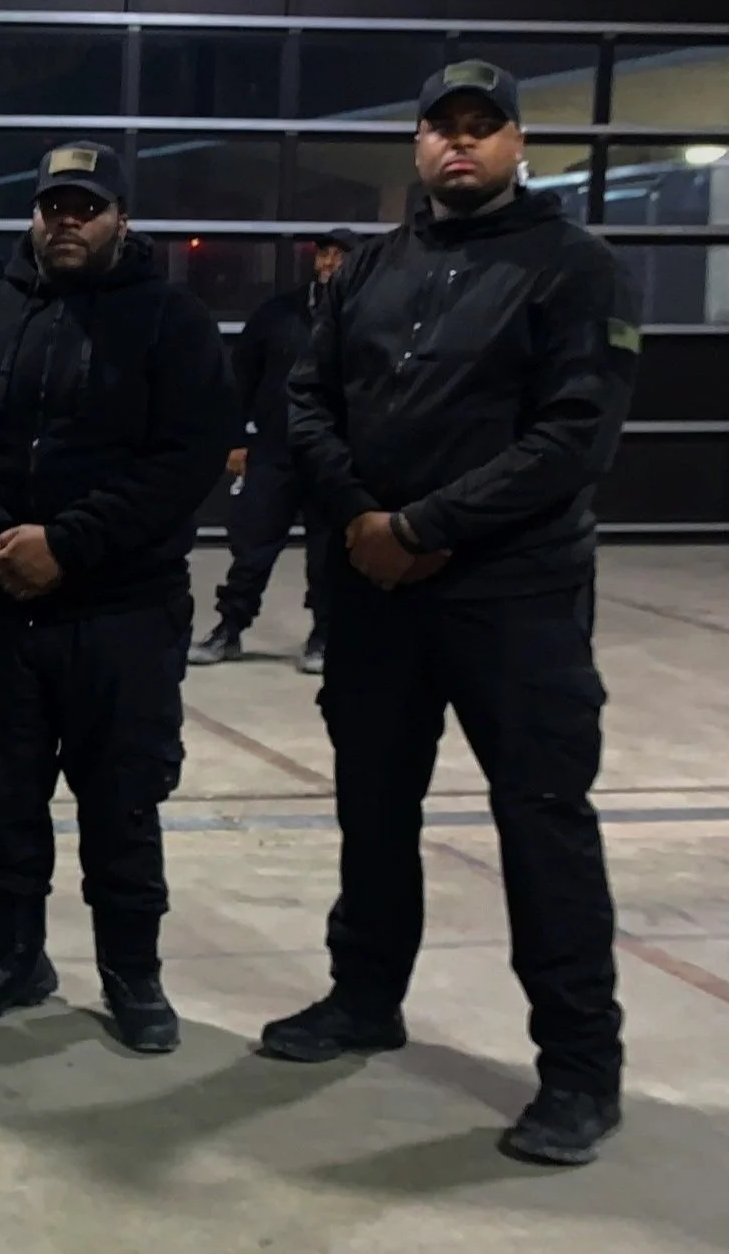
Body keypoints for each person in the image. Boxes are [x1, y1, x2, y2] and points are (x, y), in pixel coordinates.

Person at [267, 61, 640, 1167]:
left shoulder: (576, 268)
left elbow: (576, 437)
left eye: (485, 127)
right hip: (375, 594)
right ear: (420, 145)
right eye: (443, 128)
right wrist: (362, 519)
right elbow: (307, 401)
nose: (461, 145)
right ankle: (364, 996)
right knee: (374, 810)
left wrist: (424, 524)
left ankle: (580, 1069)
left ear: (520, 142)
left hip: (512, 601)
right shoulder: (374, 268)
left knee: (541, 822)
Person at [0, 141, 235, 1055]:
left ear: (120, 217)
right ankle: (10, 958)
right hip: (0, 605)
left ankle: (134, 973)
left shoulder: (172, 323)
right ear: (34, 216)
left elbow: (186, 460)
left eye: (86, 208)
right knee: (0, 796)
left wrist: (69, 545)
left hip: (120, 611)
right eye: (53, 207)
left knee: (121, 801)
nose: (67, 222)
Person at [189, 228, 358, 674]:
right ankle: (229, 630)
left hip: (335, 456)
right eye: (324, 254)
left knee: (328, 556)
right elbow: (240, 378)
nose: (328, 263)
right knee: (253, 547)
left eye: (339, 255)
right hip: (274, 450)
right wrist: (236, 438)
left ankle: (323, 636)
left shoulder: (367, 315)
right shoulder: (277, 313)